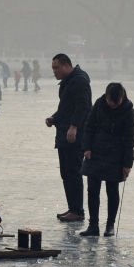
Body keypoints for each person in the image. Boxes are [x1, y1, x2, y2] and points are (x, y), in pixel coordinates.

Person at [79, 82, 134, 237]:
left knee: (112, 190)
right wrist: (87, 147)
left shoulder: (128, 110)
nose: (113, 105)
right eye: (111, 102)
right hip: (95, 151)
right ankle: (93, 225)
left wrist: (127, 163)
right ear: (106, 96)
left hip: (116, 154)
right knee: (92, 190)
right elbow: (89, 126)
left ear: (122, 97)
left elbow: (130, 138)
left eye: (117, 103)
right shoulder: (99, 104)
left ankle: (110, 225)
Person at [46, 53, 92, 222]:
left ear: (66, 65)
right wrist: (54, 118)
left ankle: (78, 211)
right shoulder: (69, 82)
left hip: (74, 135)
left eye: (56, 68)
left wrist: (74, 127)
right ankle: (72, 207)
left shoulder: (79, 81)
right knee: (66, 173)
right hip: (64, 132)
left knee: (73, 172)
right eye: (53, 68)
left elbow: (84, 106)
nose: (55, 72)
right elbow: (66, 107)